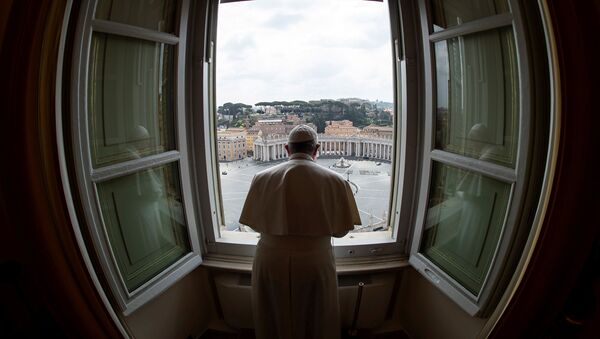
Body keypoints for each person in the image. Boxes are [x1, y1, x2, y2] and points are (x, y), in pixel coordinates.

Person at [239, 124, 361, 339]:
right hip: (315, 260)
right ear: (317, 149)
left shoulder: (261, 178)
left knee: (273, 315)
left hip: (270, 258)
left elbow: (252, 224)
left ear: (287, 149)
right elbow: (341, 231)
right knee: (316, 316)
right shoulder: (337, 181)